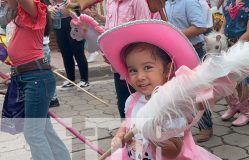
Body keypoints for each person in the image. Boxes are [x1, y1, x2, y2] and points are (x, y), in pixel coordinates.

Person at [99, 20, 221, 160]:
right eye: (133, 70)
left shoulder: (172, 107)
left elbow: (174, 151)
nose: (140, 77)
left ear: (167, 70)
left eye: (148, 67)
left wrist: (153, 135)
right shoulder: (132, 101)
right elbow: (128, 123)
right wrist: (120, 134)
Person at [4, 0, 70, 159]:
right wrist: (14, 74)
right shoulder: (21, 18)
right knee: (45, 131)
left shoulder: (33, 11)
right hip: (29, 77)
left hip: (36, 79)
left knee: (33, 134)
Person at [84, 0, 151, 119]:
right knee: (123, 105)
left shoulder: (138, 2)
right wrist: (106, 51)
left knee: (142, 106)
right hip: (117, 66)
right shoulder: (110, 2)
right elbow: (108, 29)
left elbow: (145, 31)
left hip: (135, 67)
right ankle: (126, 135)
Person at [165, 0, 214, 143]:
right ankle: (181, 127)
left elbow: (200, 26)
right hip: (174, 52)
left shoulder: (189, 1)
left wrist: (174, 34)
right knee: (179, 91)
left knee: (199, 91)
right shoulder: (167, 4)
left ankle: (206, 127)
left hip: (194, 50)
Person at [220, 0, 249, 126]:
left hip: (243, 47)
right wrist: (219, 39)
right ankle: (234, 106)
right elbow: (224, 24)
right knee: (226, 79)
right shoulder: (228, 3)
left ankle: (246, 113)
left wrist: (236, 47)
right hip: (227, 45)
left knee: (241, 81)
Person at [48, 0, 90, 89]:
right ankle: (70, 79)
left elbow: (82, 3)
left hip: (74, 21)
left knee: (78, 52)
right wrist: (51, 9)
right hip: (58, 23)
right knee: (65, 53)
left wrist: (72, 5)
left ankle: (84, 80)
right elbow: (48, 5)